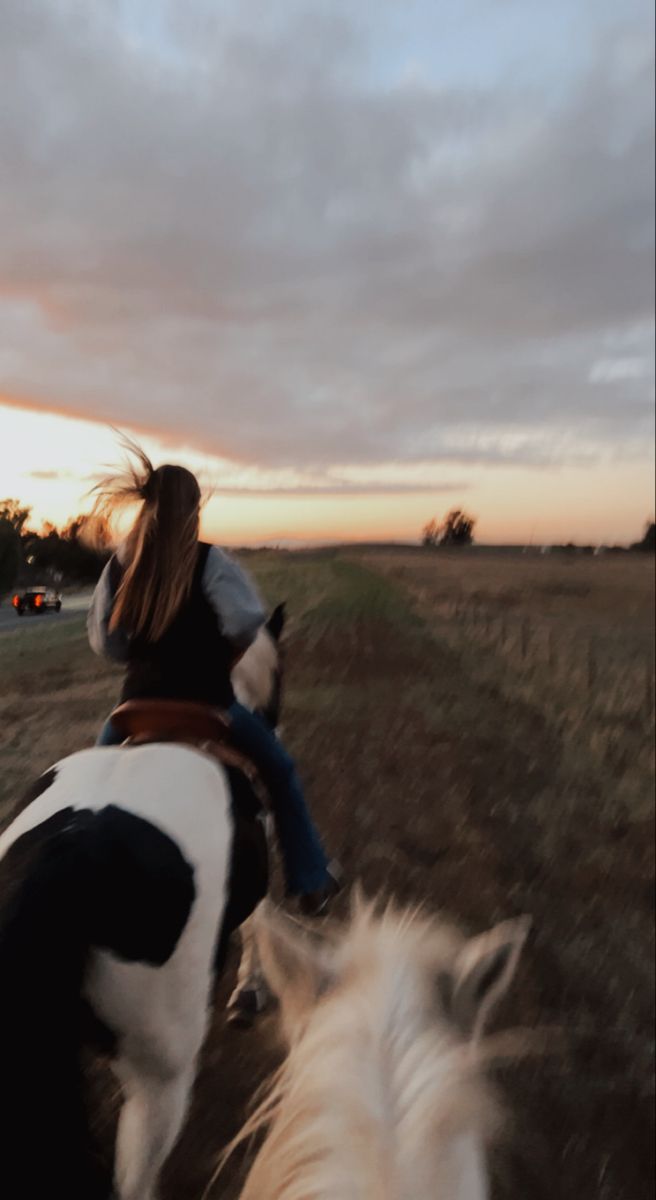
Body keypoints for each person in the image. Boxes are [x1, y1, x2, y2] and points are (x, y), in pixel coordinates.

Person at [86, 442, 341, 916]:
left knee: (88, 783)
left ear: (149, 505)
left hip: (133, 710)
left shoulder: (120, 566)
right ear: (192, 509)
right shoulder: (211, 562)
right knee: (280, 771)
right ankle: (309, 879)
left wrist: (143, 661)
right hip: (208, 706)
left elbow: (107, 644)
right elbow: (247, 623)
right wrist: (220, 661)